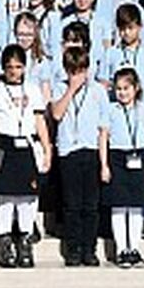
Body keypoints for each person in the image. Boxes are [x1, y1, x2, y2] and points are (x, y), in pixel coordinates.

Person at [0, 43, 49, 269]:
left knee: (26, 197)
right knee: (6, 197)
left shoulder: (32, 89)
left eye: (18, 66)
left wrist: (47, 149)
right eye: (10, 67)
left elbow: (40, 120)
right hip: (3, 144)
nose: (14, 71)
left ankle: (25, 241)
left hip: (27, 144)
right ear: (3, 68)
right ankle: (4, 242)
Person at [50, 43, 103, 268]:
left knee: (90, 205)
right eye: (73, 70)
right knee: (71, 204)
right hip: (68, 151)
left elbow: (103, 128)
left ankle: (89, 248)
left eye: (81, 70)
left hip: (90, 149)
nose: (78, 75)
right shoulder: (58, 87)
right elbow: (57, 113)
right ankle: (73, 249)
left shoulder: (98, 90)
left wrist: (104, 161)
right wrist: (71, 89)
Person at [102, 67, 144, 268]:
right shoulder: (110, 109)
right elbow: (104, 136)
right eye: (119, 89)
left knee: (135, 206)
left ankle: (134, 248)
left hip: (138, 155)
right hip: (117, 157)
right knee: (119, 205)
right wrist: (105, 164)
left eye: (126, 88)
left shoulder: (143, 108)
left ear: (136, 88)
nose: (122, 93)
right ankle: (121, 249)